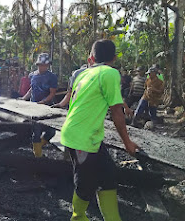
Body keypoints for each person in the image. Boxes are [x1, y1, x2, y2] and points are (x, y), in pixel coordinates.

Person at [61, 39, 139, 221]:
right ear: (113, 58)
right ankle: (77, 217)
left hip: (85, 135)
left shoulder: (83, 74)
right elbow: (117, 112)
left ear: (91, 58)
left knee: (108, 176)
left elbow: (73, 105)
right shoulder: (110, 73)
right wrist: (127, 142)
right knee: (86, 183)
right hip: (83, 138)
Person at [21, 53, 58, 157]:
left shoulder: (52, 77)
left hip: (47, 108)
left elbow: (52, 93)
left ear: (48, 65)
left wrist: (43, 102)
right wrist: (24, 98)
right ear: (37, 64)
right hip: (34, 109)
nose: (43, 67)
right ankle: (38, 155)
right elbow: (32, 89)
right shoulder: (32, 75)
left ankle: (39, 145)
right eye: (41, 65)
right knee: (36, 132)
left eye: (45, 65)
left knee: (51, 132)